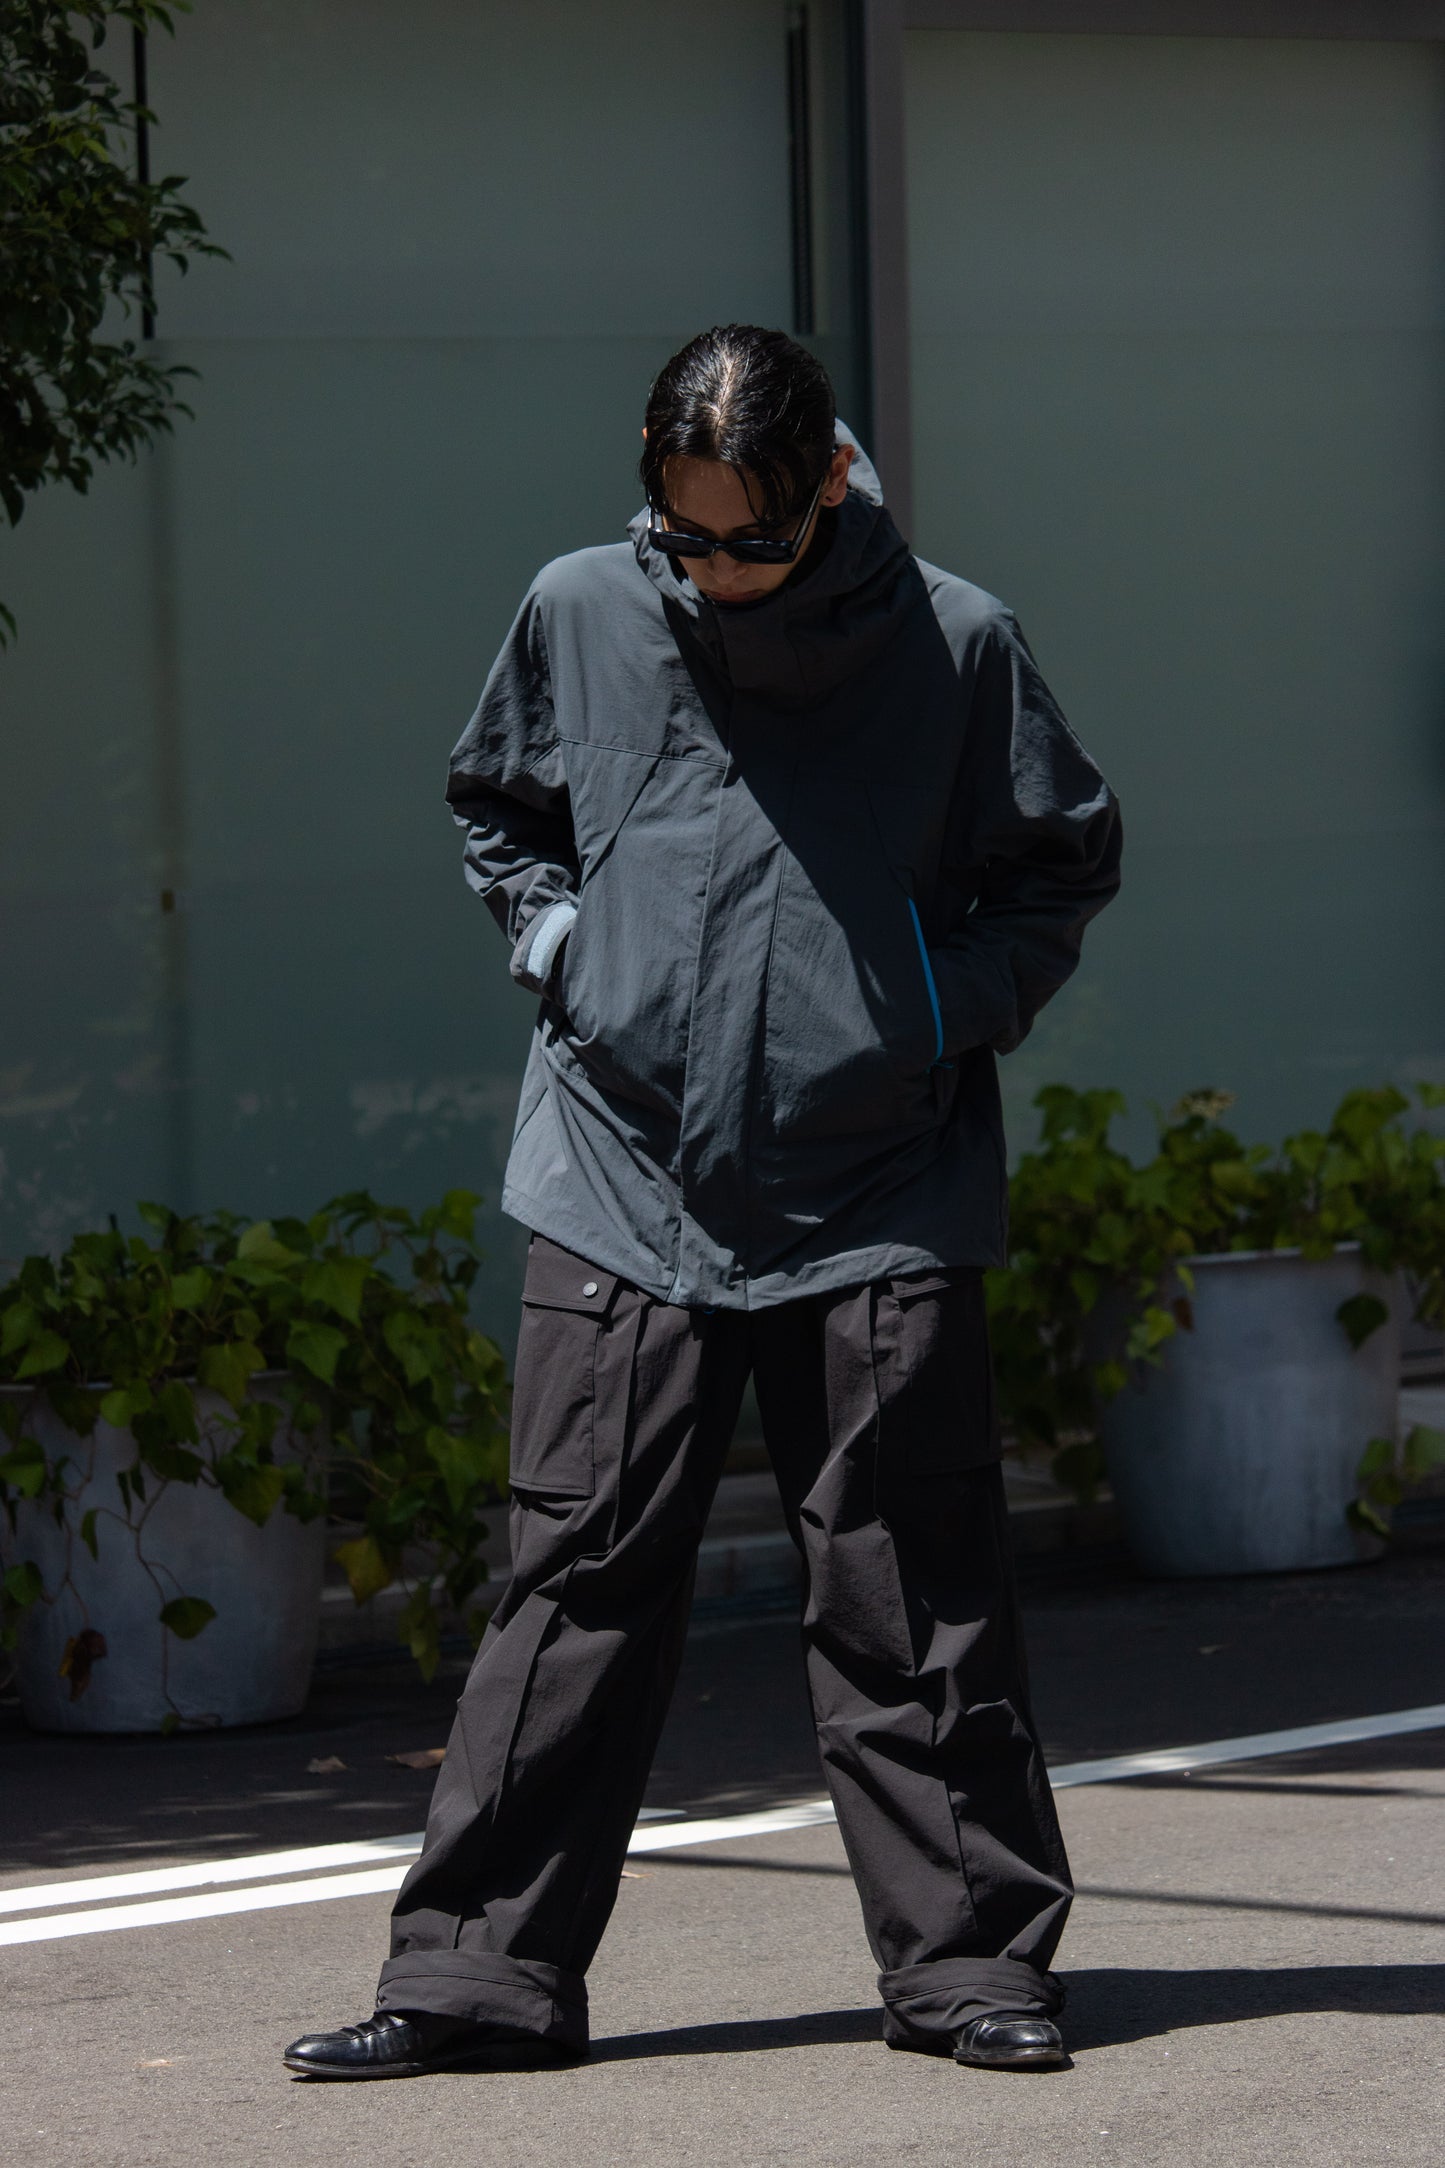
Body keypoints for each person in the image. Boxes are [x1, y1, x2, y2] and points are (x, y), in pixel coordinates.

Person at [285, 325, 1122, 2082]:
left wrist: (927, 1010)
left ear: (827, 485)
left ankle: (970, 1971)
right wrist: (564, 948)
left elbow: (1055, 866)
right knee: (569, 1583)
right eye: (685, 533)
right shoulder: (581, 606)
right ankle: (475, 1982)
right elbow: (499, 806)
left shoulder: (957, 641)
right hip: (621, 1166)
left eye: (755, 536)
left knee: (910, 1591)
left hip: (878, 1178)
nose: (718, 569)